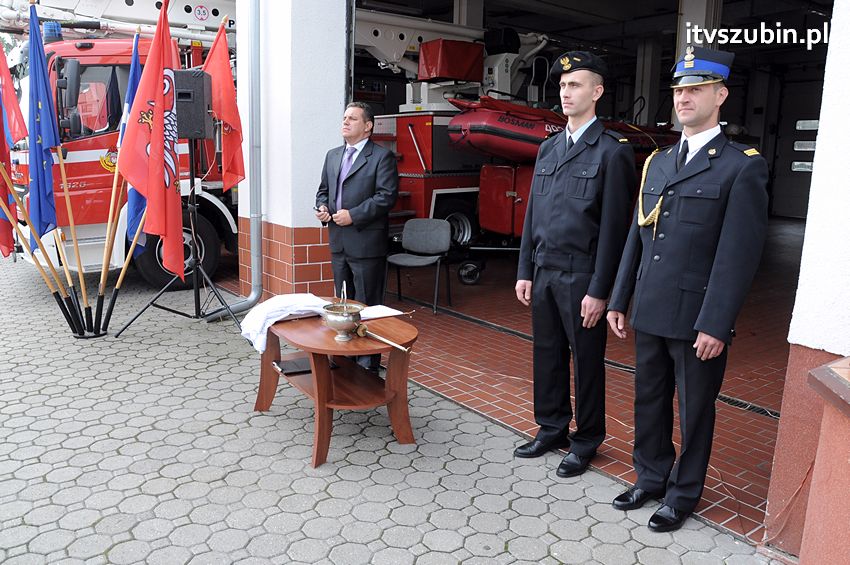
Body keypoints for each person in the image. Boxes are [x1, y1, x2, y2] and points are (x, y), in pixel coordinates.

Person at [606, 46, 769, 532]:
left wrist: (716, 323)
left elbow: (738, 256)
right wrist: (620, 297)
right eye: (679, 90)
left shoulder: (741, 166)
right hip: (651, 305)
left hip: (697, 317)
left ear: (720, 96)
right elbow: (638, 235)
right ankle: (650, 476)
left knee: (694, 410)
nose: (684, 98)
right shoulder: (657, 162)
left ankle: (683, 494)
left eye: (696, 89)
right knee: (648, 399)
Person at [513, 51, 637, 478]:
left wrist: (601, 290)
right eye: (563, 85)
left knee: (586, 363)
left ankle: (586, 440)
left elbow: (615, 230)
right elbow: (533, 214)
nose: (566, 93)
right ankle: (551, 428)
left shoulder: (612, 152)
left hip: (583, 274)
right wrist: (525, 269)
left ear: (597, 92)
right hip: (545, 269)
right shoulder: (548, 148)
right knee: (546, 354)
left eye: (576, 85)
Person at [315, 101, 398, 372]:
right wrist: (323, 207)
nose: (345, 122)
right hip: (339, 241)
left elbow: (386, 197)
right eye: (344, 117)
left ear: (368, 126)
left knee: (367, 305)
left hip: (366, 244)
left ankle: (368, 364)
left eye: (352, 118)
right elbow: (323, 190)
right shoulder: (333, 155)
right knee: (343, 303)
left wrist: (354, 215)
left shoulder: (381, 157)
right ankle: (345, 357)